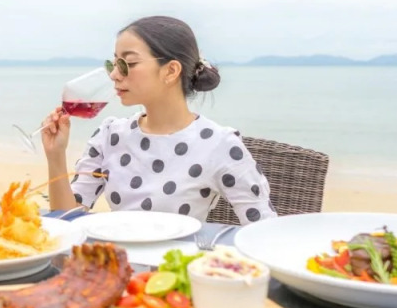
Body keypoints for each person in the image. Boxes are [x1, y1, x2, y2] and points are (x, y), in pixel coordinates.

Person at [42, 16, 275, 225]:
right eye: (113, 63)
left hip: (178, 260)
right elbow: (66, 220)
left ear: (171, 71)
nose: (114, 75)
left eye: (127, 64)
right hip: (119, 258)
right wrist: (55, 155)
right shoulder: (110, 135)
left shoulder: (218, 144)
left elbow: (263, 229)